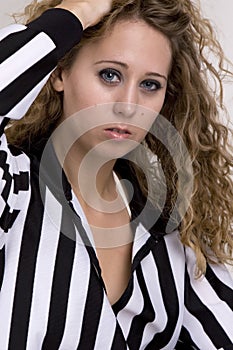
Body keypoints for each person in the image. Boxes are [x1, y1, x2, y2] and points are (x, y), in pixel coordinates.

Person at [0, 0, 232, 348]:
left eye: (150, 85)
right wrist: (76, 14)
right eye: (110, 75)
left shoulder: (173, 234)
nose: (129, 104)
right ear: (59, 73)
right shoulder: (13, 189)